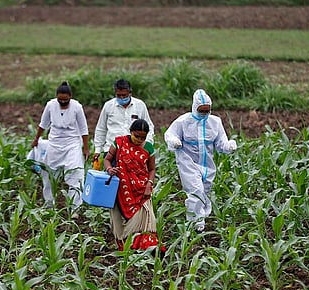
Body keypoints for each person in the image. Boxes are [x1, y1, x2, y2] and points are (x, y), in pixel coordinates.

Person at [164, 89, 237, 232]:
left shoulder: (215, 122)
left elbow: (220, 142)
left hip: (207, 164)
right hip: (188, 163)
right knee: (196, 191)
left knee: (204, 192)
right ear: (194, 107)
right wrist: (174, 141)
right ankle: (195, 225)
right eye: (201, 110)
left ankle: (202, 218)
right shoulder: (183, 121)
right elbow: (169, 134)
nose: (204, 113)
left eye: (207, 111)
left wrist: (229, 146)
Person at [103, 119, 165, 254]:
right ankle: (125, 245)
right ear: (131, 132)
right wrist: (109, 170)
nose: (139, 140)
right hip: (121, 189)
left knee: (145, 218)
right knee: (118, 217)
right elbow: (107, 159)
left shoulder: (148, 147)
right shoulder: (119, 143)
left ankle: (146, 246)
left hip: (141, 189)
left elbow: (151, 169)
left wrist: (150, 184)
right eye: (137, 136)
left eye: (143, 137)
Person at [31, 81, 89, 212]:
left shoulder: (76, 107)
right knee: (48, 174)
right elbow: (43, 124)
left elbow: (84, 129)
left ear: (70, 96)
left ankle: (74, 209)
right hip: (55, 144)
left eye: (65, 99)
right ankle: (49, 205)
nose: (62, 102)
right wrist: (36, 139)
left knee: (75, 173)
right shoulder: (51, 105)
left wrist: (85, 148)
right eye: (60, 99)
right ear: (56, 97)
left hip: (72, 143)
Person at [92, 79, 154, 168]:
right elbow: (101, 129)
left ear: (130, 93)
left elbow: (149, 127)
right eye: (118, 95)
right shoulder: (108, 106)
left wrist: (147, 145)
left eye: (124, 95)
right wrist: (98, 149)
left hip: (135, 151)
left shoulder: (140, 105)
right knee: (113, 179)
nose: (121, 98)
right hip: (112, 151)